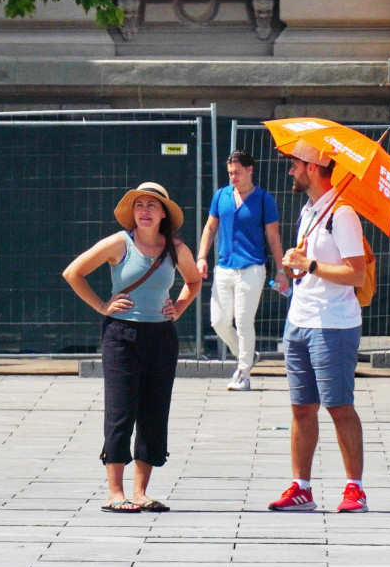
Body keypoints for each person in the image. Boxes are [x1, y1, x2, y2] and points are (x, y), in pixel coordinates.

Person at [63, 182, 201, 513]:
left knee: (154, 412)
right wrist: (102, 306)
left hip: (161, 337)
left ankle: (140, 492)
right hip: (121, 336)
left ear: (164, 213)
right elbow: (73, 273)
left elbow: (194, 280)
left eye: (152, 205)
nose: (144, 211)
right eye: (139, 205)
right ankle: (115, 492)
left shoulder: (176, 248)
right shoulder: (119, 243)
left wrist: (178, 308)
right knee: (121, 411)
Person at [268, 142, 368, 513]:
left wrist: (308, 265)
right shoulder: (310, 210)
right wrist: (298, 267)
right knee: (301, 408)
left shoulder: (343, 214)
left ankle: (355, 489)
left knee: (339, 406)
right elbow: (311, 266)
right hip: (299, 320)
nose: (290, 171)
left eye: (295, 164)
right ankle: (301, 488)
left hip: (333, 325)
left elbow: (355, 274)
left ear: (312, 167)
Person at [196, 150, 287, 392]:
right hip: (224, 267)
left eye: (237, 172)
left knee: (244, 321)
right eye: (230, 173)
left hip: (252, 267)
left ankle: (244, 372)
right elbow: (210, 228)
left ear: (250, 170)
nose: (233, 177)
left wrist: (281, 270)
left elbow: (273, 236)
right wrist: (202, 257)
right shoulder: (221, 195)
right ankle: (247, 355)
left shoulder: (264, 199)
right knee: (218, 321)